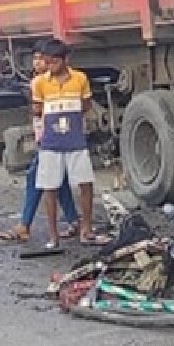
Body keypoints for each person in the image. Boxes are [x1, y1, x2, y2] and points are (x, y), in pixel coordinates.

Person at [0, 46, 79, 245]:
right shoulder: (40, 82)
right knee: (58, 180)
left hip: (53, 139)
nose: (38, 63)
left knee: (36, 177)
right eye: (35, 59)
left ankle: (24, 225)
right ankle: (74, 220)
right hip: (47, 139)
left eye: (42, 59)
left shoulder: (55, 82)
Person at [32, 38, 109, 246]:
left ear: (66, 59)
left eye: (54, 62)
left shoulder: (80, 79)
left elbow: (86, 104)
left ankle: (86, 229)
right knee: (49, 188)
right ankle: (53, 235)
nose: (50, 67)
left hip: (76, 141)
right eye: (47, 62)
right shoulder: (39, 83)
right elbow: (37, 109)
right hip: (50, 143)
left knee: (85, 184)